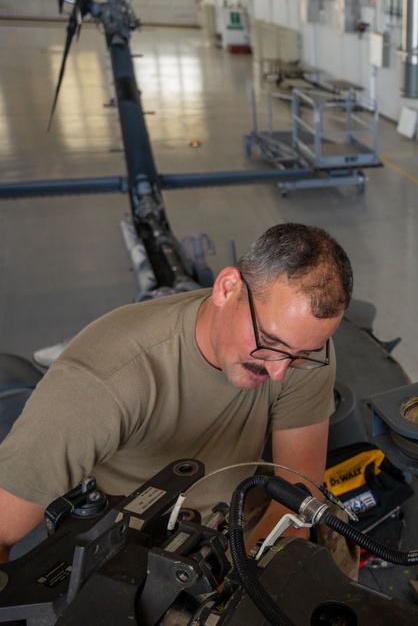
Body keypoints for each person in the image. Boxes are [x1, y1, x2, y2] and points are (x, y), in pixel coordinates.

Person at [0, 222, 356, 573]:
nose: (279, 371)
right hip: (128, 536)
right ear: (227, 287)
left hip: (234, 511)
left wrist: (235, 588)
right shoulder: (102, 379)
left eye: (299, 354)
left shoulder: (305, 349)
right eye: (269, 342)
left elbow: (297, 495)